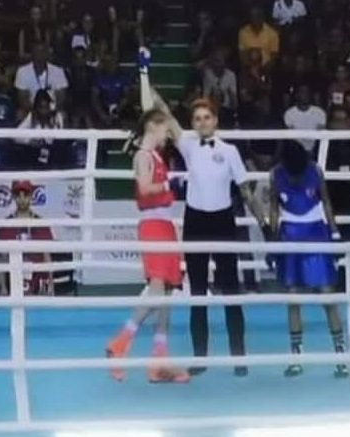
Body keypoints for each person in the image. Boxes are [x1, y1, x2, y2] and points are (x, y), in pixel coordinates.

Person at [141, 47, 265, 377]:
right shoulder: (187, 143)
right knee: (197, 292)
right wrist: (145, 75)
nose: (201, 122)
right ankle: (200, 357)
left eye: (206, 117)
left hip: (223, 221)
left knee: (231, 291)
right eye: (196, 118)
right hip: (195, 220)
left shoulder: (230, 151)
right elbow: (163, 111)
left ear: (216, 120)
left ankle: (239, 356)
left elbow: (246, 192)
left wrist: (265, 221)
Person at [105, 104, 190, 383]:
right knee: (157, 288)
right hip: (153, 225)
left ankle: (159, 359)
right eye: (165, 128)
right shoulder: (143, 156)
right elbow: (144, 188)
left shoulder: (155, 155)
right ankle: (121, 342)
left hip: (164, 225)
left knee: (167, 291)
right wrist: (169, 185)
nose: (168, 135)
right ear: (154, 126)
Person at [269, 141, 348, 378]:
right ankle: (297, 358)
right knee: (293, 298)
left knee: (327, 296)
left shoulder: (315, 171)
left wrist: (335, 233)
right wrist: (272, 240)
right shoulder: (275, 174)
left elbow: (326, 202)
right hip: (290, 235)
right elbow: (274, 208)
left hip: (316, 233)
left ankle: (341, 357)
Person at [0, 180, 55, 296]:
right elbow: (2, 258)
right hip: (13, 280)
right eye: (18, 195)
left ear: (31, 196)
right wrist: (2, 286)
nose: (22, 199)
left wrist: (51, 283)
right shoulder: (5, 225)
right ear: (14, 197)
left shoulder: (41, 223)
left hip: (38, 282)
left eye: (25, 195)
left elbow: (47, 256)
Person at [15, 41, 69, 115]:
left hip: (52, 109)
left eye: (42, 52)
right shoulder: (22, 71)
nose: (39, 55)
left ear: (47, 54)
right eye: (37, 52)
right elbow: (22, 99)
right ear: (32, 54)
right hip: (31, 110)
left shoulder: (58, 71)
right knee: (20, 114)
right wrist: (37, 111)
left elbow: (61, 98)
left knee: (63, 114)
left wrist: (50, 110)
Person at [283, 84, 326, 155]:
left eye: (307, 92)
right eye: (302, 92)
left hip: (315, 150)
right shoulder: (289, 113)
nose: (305, 95)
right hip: (296, 150)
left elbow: (320, 135)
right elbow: (291, 137)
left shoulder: (320, 112)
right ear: (296, 95)